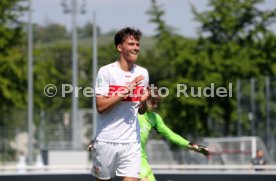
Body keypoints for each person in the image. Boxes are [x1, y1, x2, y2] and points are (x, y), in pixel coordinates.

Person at [91, 27, 149, 181]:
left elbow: (141, 111)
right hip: (107, 140)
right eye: (131, 44)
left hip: (132, 143)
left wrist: (143, 102)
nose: (136, 48)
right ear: (119, 47)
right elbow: (100, 107)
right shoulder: (106, 72)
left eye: (137, 44)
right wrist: (126, 91)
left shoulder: (143, 73)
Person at [138, 89, 209, 181]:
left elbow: (170, 135)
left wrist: (192, 146)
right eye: (152, 103)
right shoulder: (131, 112)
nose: (155, 106)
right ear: (144, 98)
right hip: (130, 156)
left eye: (157, 103)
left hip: (142, 158)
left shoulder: (154, 118)